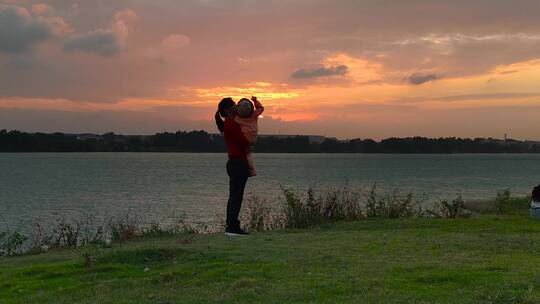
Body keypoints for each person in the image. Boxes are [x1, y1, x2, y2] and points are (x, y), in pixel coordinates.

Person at [215, 97, 251, 236]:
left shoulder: (229, 123)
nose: (237, 107)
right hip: (238, 163)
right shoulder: (231, 124)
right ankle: (232, 227)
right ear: (227, 110)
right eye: (234, 105)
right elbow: (243, 142)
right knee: (236, 196)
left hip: (234, 163)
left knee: (234, 196)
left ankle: (232, 226)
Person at [234, 96, 264, 177]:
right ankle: (251, 170)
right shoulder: (254, 114)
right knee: (248, 154)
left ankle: (250, 170)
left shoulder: (236, 117)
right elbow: (261, 108)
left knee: (247, 154)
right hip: (252, 138)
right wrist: (255, 101)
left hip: (244, 138)